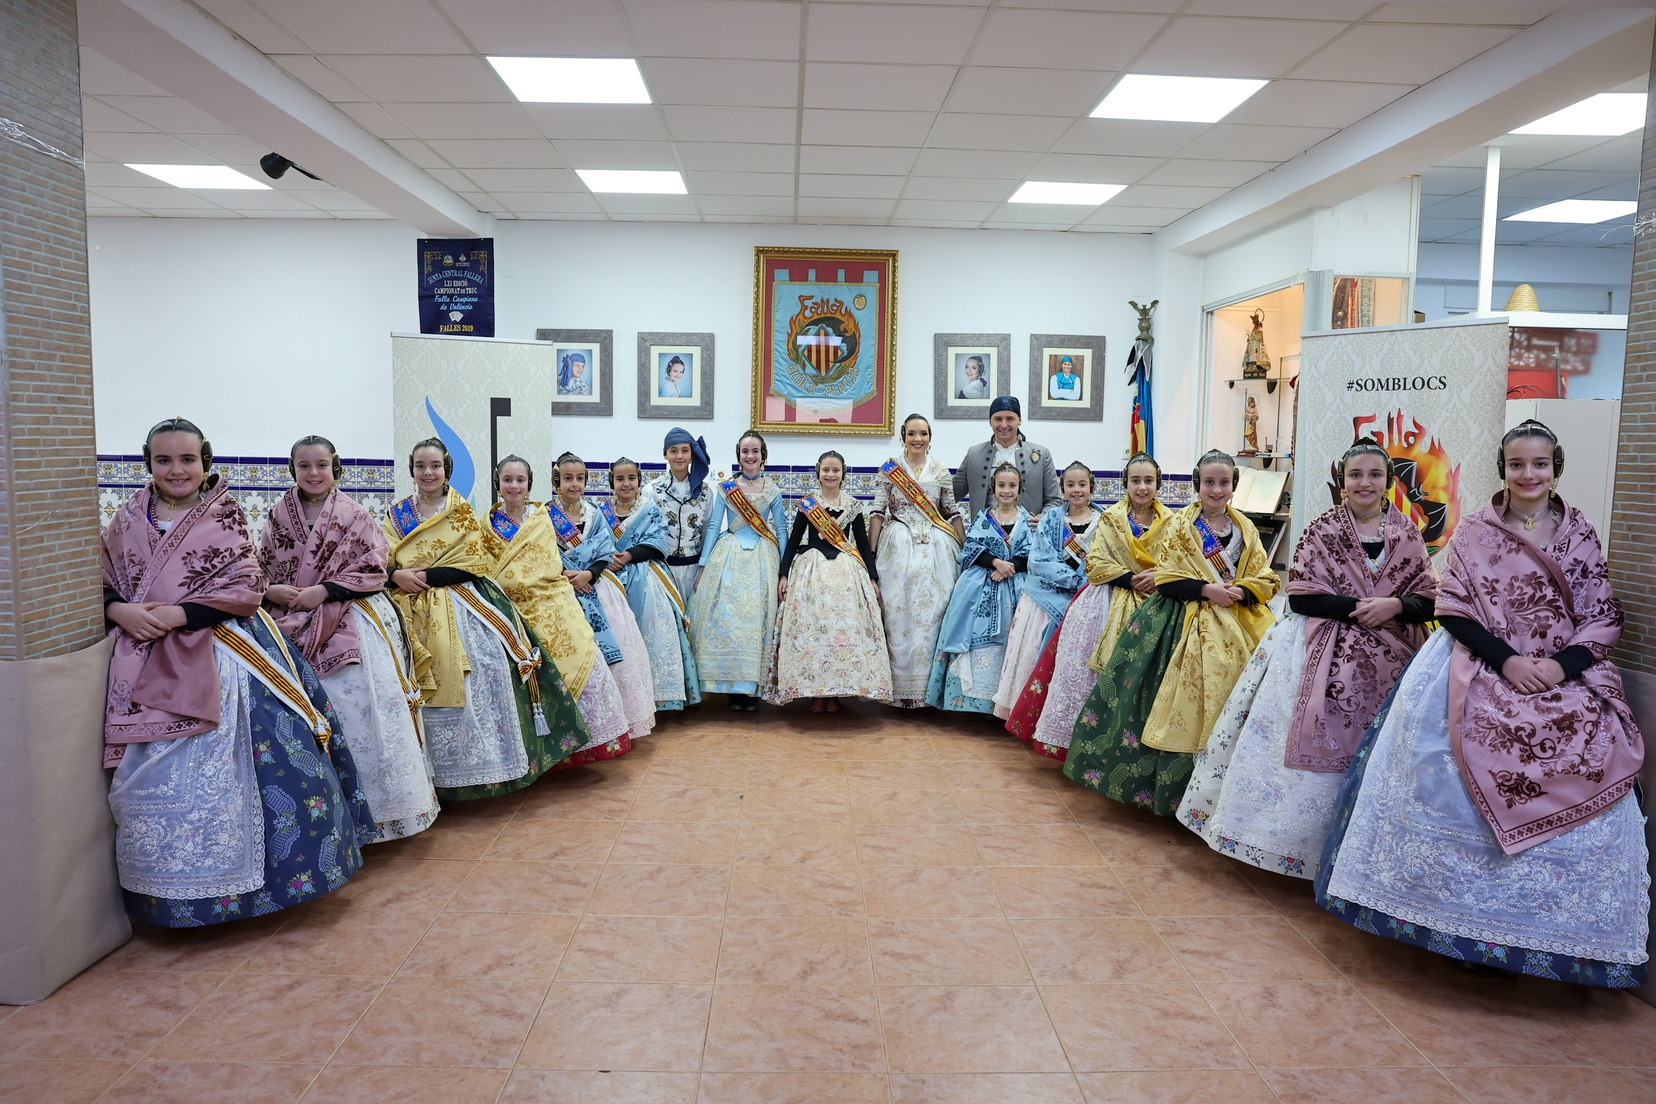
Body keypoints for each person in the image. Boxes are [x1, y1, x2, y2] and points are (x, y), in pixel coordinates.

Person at [1316, 421, 1649, 987]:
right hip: (1482, 662)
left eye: (1539, 464)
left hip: (1563, 671)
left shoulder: (1581, 534)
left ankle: (1539, 932)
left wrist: (1560, 666)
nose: (1528, 475)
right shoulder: (1474, 530)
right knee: (1447, 764)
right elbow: (1452, 607)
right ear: (1503, 469)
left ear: (1556, 469)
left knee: (1599, 755)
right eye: (1517, 464)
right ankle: (1456, 927)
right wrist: (1509, 662)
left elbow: (1602, 614)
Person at [102, 418, 373, 927]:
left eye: (187, 459)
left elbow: (246, 587)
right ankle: (173, 894)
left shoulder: (224, 514)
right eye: (164, 460)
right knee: (150, 784)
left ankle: (263, 887)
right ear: (148, 463)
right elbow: (104, 580)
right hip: (143, 656)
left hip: (224, 649)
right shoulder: (127, 519)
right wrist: (120, 611)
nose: (177, 470)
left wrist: (178, 615)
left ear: (205, 461)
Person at [1178, 440, 1436, 879]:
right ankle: (1300, 845)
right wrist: (1362, 608)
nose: (1365, 483)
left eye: (1375, 474)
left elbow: (1428, 598)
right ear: (1342, 482)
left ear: (1389, 481)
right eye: (1355, 475)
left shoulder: (1407, 534)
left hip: (1396, 650)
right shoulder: (1322, 530)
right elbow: (1300, 598)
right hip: (1321, 644)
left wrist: (1394, 607)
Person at [1062, 449, 1278, 815]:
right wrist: (1206, 590)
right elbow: (1166, 576)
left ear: (1234, 485)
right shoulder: (1180, 525)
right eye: (1209, 482)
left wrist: (1242, 591)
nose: (1216, 490)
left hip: (1239, 621)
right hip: (1182, 619)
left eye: (1224, 483)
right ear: (1196, 484)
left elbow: (1264, 576)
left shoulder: (1246, 528)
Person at [385, 437, 592, 800]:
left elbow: (472, 563)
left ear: (447, 469)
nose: (428, 473)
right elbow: (380, 558)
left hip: (459, 597)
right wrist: (395, 576)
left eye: (435, 466)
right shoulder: (396, 514)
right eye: (420, 466)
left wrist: (425, 576)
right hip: (406, 602)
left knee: (490, 666)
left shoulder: (462, 511)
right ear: (411, 470)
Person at [260, 434, 439, 844]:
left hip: (346, 615)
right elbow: (262, 565)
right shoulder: (277, 514)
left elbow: (374, 568)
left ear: (335, 467)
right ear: (293, 469)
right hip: (286, 613)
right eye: (304, 466)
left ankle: (376, 816)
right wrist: (271, 590)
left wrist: (323, 591)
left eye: (321, 465)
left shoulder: (354, 514)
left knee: (355, 708)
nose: (313, 473)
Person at [483, 455, 633, 766]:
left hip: (552, 595)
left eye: (520, 480)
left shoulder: (541, 517)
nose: (514, 486)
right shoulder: (487, 524)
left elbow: (553, 559)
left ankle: (586, 742)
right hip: (511, 603)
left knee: (582, 647)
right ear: (498, 483)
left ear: (530, 484)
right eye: (507, 480)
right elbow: (486, 567)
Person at [767, 450, 893, 712]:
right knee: (813, 631)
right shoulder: (808, 505)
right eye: (826, 469)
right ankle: (816, 693)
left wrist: (872, 577)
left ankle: (836, 694)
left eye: (836, 470)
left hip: (846, 570)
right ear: (818, 471)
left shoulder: (853, 505)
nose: (830, 474)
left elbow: (861, 543)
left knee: (842, 630)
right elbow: (794, 539)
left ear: (843, 473)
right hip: (811, 569)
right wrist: (784, 573)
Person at [549, 453, 658, 741]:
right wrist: (567, 576)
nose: (574, 484)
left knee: (619, 644)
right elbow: (544, 554)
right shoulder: (544, 516)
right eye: (568, 478)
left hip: (597, 585)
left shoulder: (595, 514)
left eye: (580, 478)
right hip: (561, 588)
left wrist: (589, 574)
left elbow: (605, 550)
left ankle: (617, 722)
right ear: (557, 481)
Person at [870, 413, 966, 708]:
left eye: (923, 433)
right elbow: (877, 512)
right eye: (911, 433)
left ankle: (929, 691)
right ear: (903, 437)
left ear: (930, 437)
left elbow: (951, 512)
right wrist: (870, 556)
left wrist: (965, 551)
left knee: (935, 613)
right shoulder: (889, 469)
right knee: (898, 614)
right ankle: (902, 691)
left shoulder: (940, 470)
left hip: (937, 550)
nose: (917, 439)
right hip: (897, 547)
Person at [690, 430, 789, 711]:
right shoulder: (727, 488)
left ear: (763, 455)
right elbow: (714, 526)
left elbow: (782, 530)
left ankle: (752, 689)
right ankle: (731, 689)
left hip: (763, 558)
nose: (750, 456)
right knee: (727, 620)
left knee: (757, 621)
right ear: (739, 455)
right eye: (745, 451)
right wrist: (703, 565)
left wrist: (785, 571)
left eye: (755, 451)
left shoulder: (772, 490)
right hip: (729, 556)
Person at [992, 461, 1097, 719]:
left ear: (1091, 488)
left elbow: (1105, 557)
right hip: (1047, 592)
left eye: (1082, 484)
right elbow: (1039, 558)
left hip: (1090, 591)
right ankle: (1030, 714)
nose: (1076, 490)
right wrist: (1073, 580)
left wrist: (1084, 582)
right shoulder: (1051, 519)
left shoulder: (1105, 521)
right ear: (1062, 489)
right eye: (1070, 484)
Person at [926, 463, 1034, 714]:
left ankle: (1005, 702)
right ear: (993, 489)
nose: (1006, 490)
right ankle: (980, 703)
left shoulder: (1028, 520)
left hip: (1018, 584)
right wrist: (995, 562)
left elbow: (1034, 553)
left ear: (1020, 489)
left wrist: (1009, 568)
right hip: (981, 583)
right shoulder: (983, 518)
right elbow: (970, 549)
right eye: (1001, 485)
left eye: (1012, 485)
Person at [607, 455, 701, 712]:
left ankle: (660, 696)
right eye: (620, 479)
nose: (626, 484)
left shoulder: (649, 509)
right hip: (611, 575)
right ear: (611, 482)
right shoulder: (601, 512)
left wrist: (630, 555)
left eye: (631, 478)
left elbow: (660, 542)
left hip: (647, 574)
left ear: (639, 481)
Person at [952, 396, 1061, 517]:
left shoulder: (1042, 455)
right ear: (990, 422)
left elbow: (1054, 501)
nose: (1004, 425)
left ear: (1019, 420)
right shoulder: (974, 454)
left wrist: (1041, 519)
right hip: (984, 528)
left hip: (1028, 528)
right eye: (998, 419)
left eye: (1010, 419)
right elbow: (950, 496)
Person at [646, 427, 717, 598]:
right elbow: (647, 532)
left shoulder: (705, 492)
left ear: (692, 455)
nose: (679, 456)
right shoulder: (652, 490)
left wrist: (704, 566)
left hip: (695, 569)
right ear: (665, 454)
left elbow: (708, 530)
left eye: (685, 450)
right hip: (662, 568)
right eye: (673, 451)